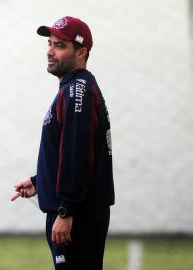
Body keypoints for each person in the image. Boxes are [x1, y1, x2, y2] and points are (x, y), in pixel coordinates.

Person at [11, 16, 115, 270]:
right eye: (49, 43)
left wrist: (65, 211)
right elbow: (70, 150)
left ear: (81, 52)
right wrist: (40, 181)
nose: (49, 51)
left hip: (76, 215)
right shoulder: (74, 89)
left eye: (59, 45)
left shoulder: (76, 93)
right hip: (74, 209)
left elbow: (77, 155)